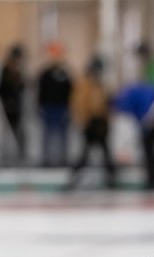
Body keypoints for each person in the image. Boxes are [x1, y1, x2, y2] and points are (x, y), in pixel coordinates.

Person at [67, 56, 115, 188]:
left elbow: (105, 106)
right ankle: (74, 179)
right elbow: (79, 106)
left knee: (105, 153)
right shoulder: (84, 86)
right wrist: (84, 122)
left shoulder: (101, 86)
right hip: (90, 124)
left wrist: (106, 122)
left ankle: (111, 178)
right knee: (85, 154)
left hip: (100, 124)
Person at [37, 41, 73, 166]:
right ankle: (46, 159)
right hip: (48, 107)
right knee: (47, 134)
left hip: (62, 107)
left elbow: (70, 91)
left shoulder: (65, 74)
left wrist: (69, 108)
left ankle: (63, 158)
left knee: (62, 135)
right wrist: (40, 106)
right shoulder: (45, 73)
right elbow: (41, 91)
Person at [0, 44, 26, 160]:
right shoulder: (6, 70)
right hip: (7, 105)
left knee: (17, 131)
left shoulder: (19, 70)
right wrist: (7, 101)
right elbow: (3, 88)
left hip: (17, 106)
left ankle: (17, 155)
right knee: (5, 131)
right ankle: (7, 155)